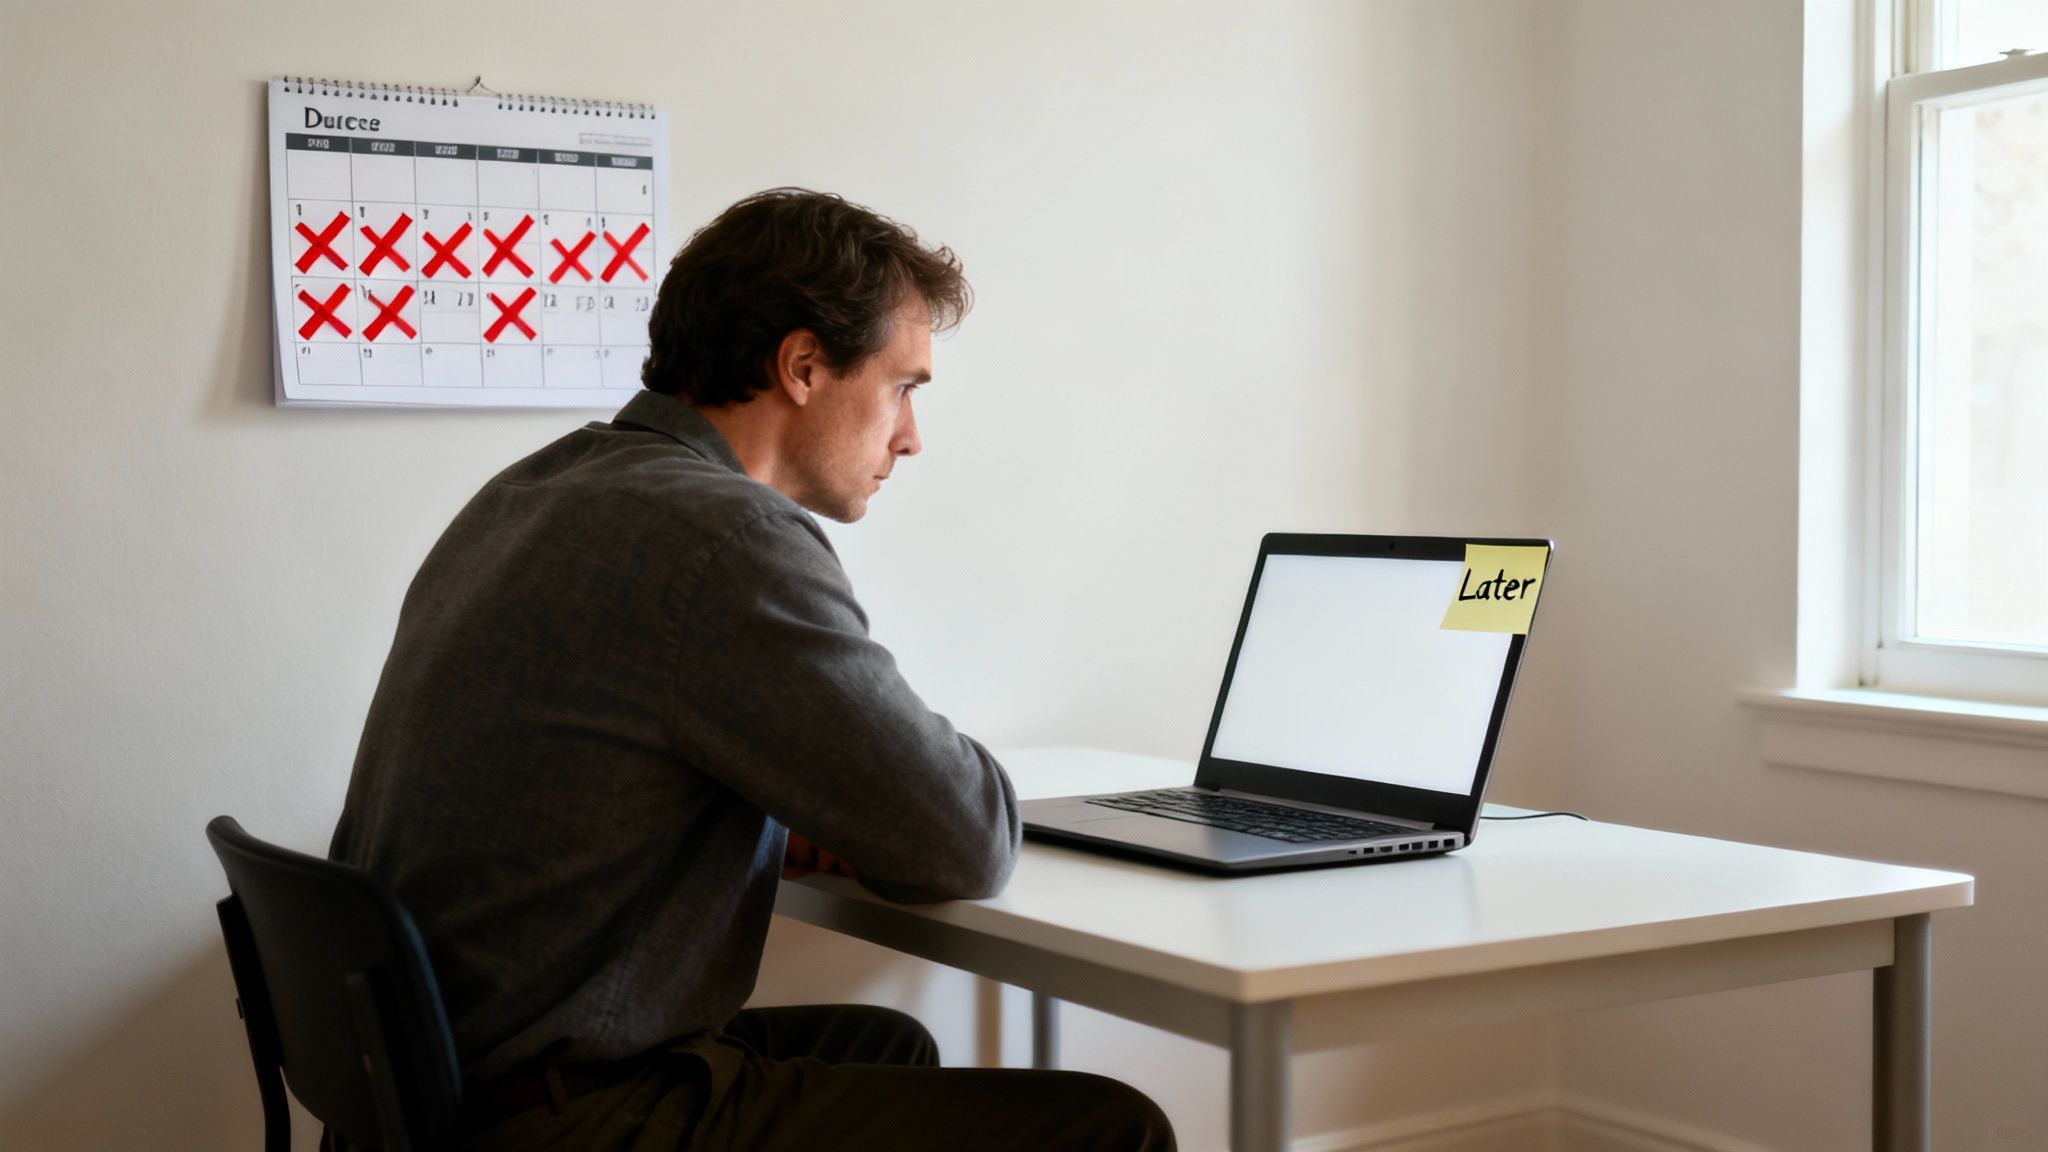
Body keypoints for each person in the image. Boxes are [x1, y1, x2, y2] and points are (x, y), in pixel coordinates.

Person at [327, 188, 1175, 1151]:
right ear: (804, 365)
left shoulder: (535, 490)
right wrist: (879, 801)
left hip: (426, 1097)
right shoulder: (725, 535)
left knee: (882, 1044)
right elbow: (965, 838)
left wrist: (787, 807)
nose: (910, 436)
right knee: (1114, 1130)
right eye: (904, 386)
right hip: (569, 1122)